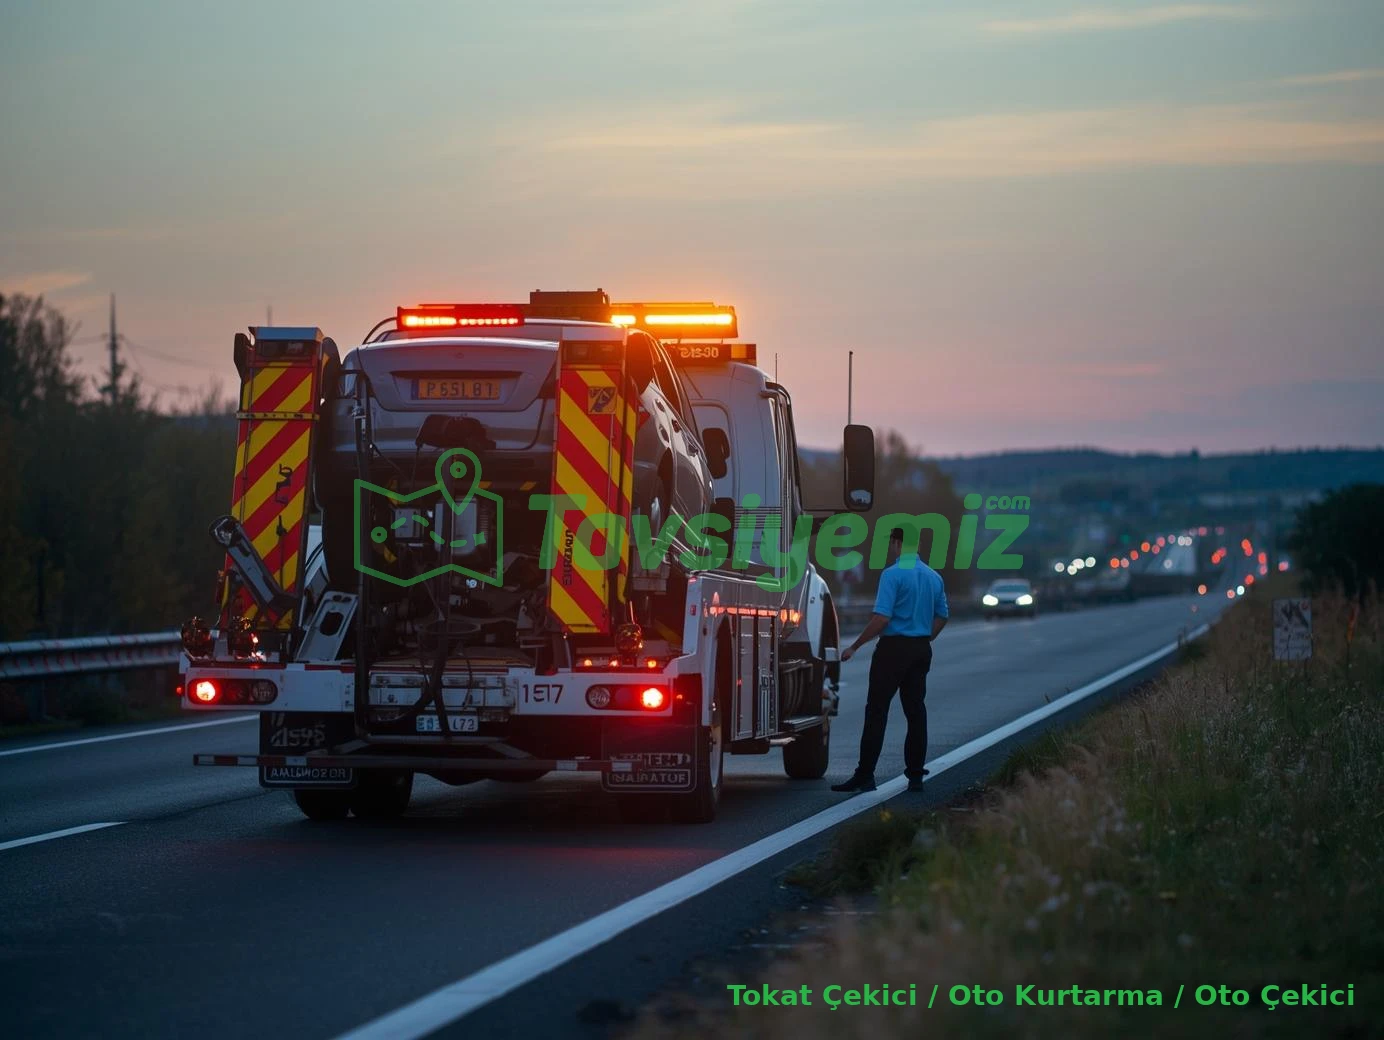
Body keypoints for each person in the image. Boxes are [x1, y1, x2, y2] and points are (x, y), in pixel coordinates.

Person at [831, 527, 949, 793]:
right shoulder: (933, 576)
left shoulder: (892, 574)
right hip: (920, 649)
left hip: (893, 649)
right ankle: (916, 776)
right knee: (915, 712)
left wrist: (855, 646)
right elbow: (943, 614)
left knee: (877, 712)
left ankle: (865, 775)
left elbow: (882, 618)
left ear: (896, 543)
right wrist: (926, 638)